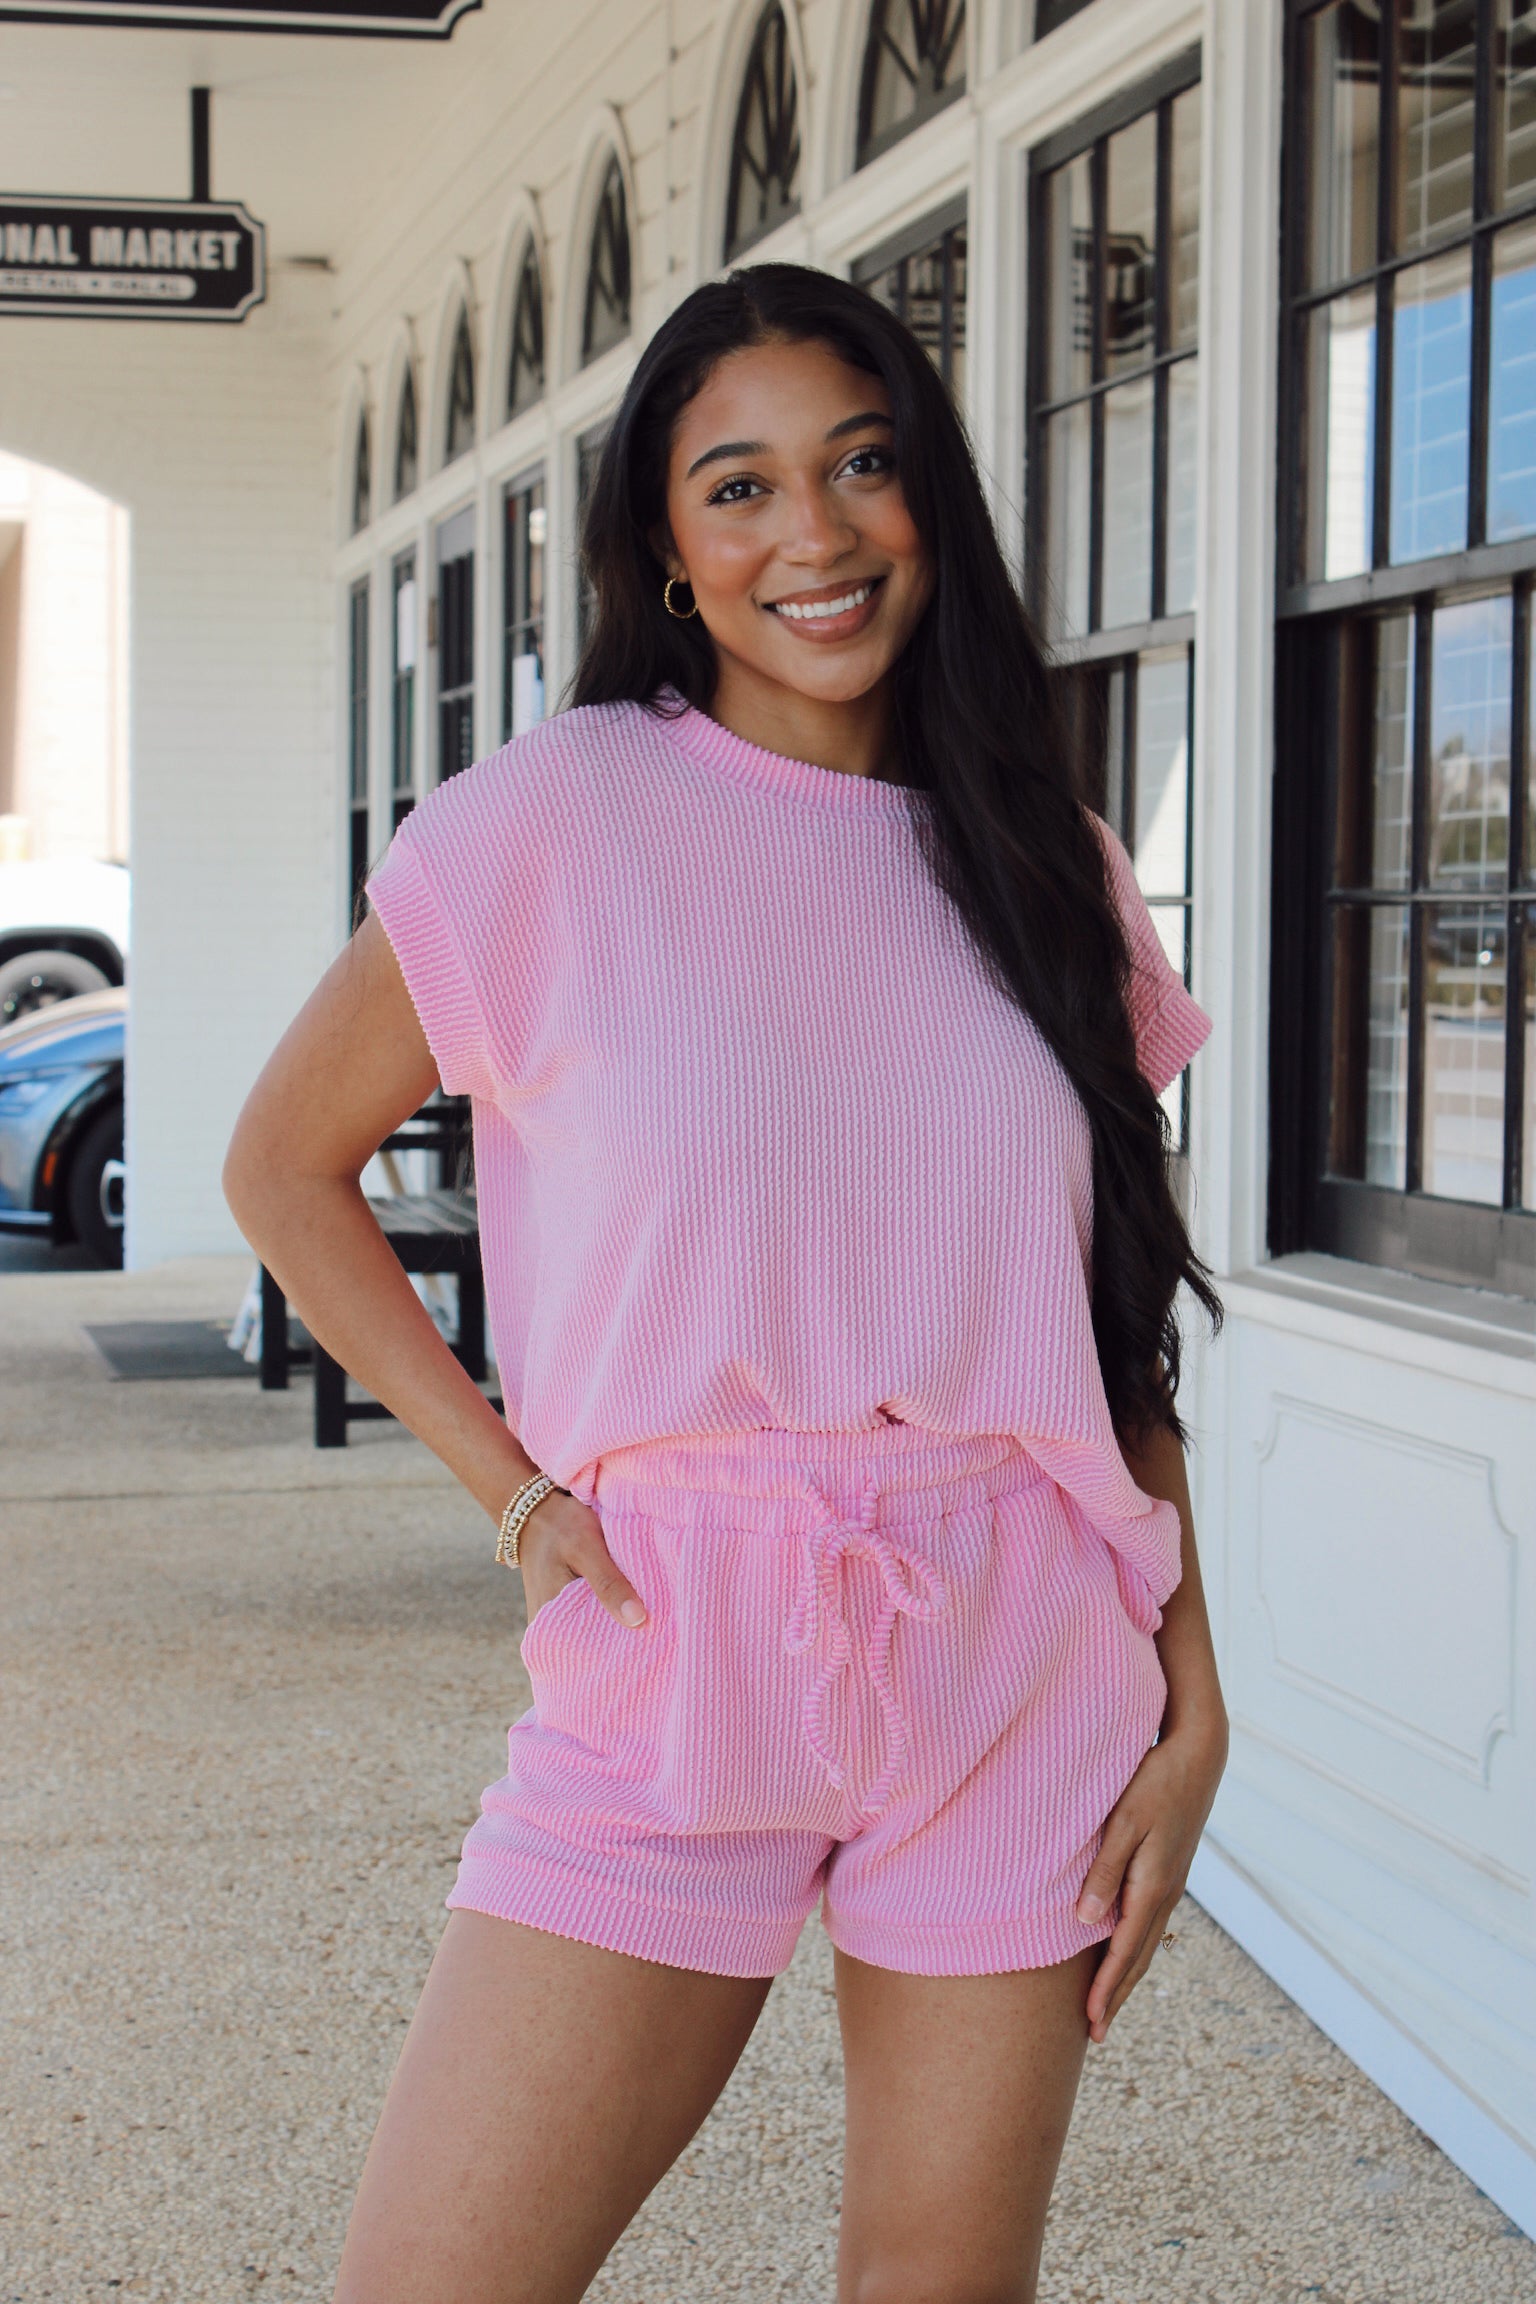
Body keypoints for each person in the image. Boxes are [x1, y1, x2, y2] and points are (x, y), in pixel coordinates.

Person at [223, 261, 1228, 2304]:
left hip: (1019, 1642)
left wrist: (1194, 1699)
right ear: (669, 551)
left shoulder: (1049, 859)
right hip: (676, 1631)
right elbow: (281, 1167)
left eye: (862, 464)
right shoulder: (558, 818)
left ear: (929, 496)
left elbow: (1104, 1319)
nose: (815, 535)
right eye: (742, 487)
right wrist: (516, 1494)